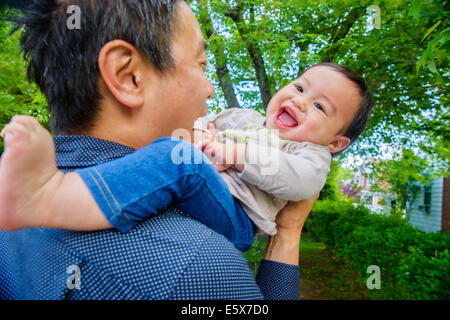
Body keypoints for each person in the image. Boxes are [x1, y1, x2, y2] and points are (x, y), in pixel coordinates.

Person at [0, 0, 317, 300]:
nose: (210, 89)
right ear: (129, 77)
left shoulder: (11, 187)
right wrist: (288, 235)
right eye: (202, 65)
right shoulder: (195, 269)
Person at [0, 63, 372, 253]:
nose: (300, 101)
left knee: (176, 158)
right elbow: (196, 123)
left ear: (336, 143)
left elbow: (300, 181)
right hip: (206, 191)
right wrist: (203, 132)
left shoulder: (309, 153)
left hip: (237, 218)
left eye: (321, 106)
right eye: (300, 86)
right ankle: (84, 191)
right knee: (168, 153)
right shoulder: (244, 118)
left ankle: (51, 197)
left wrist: (234, 153)